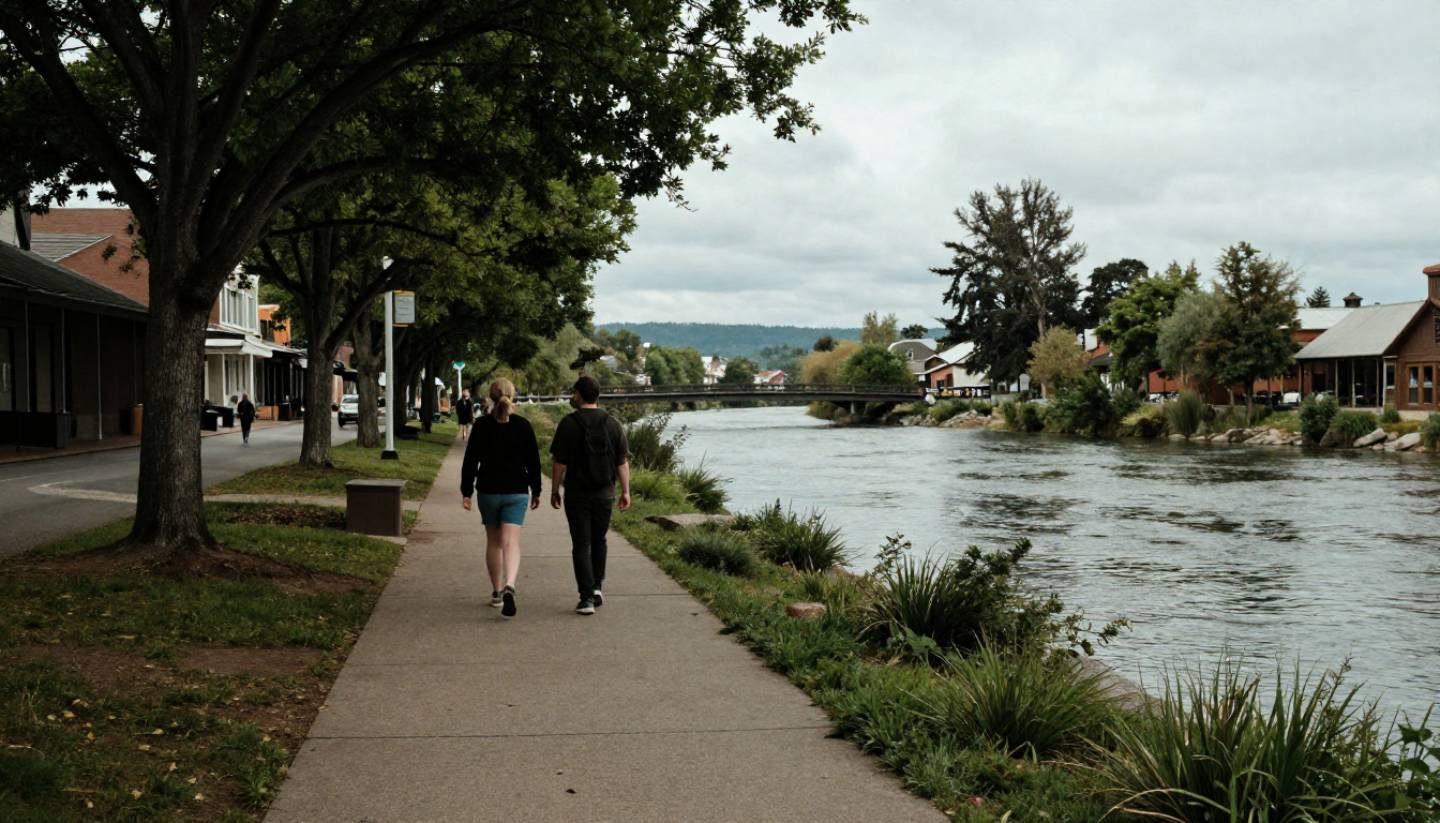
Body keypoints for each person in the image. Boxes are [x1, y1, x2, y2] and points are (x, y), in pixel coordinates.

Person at [459, 378, 542, 619]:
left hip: (488, 490)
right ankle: (511, 584)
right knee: (511, 543)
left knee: (494, 542)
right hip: (516, 490)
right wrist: (536, 490)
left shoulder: (482, 425)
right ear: (512, 396)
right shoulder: (523, 426)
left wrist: (466, 491)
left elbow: (471, 461)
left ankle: (496, 592)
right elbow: (533, 462)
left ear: (491, 397)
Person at [550, 375, 631, 616]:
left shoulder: (568, 423)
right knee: (599, 540)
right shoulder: (613, 424)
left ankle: (586, 598)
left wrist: (555, 490)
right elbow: (622, 461)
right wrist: (625, 490)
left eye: (574, 393)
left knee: (581, 544)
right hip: (604, 493)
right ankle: (597, 587)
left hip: (577, 493)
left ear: (579, 395)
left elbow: (559, 463)